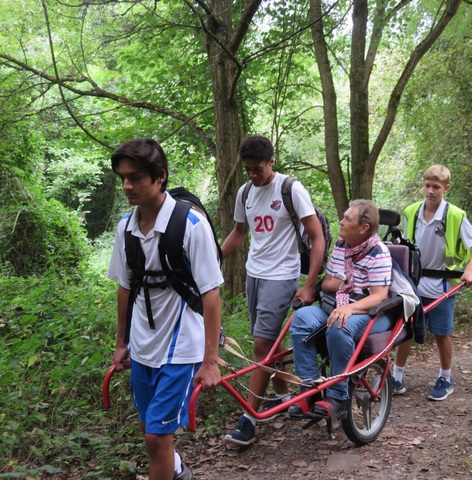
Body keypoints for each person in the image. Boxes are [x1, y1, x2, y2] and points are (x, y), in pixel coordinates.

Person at [108, 138, 223, 480]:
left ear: (160, 177)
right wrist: (121, 342)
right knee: (151, 432)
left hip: (182, 348)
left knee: (157, 436)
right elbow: (125, 287)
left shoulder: (190, 226)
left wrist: (210, 360)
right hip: (143, 348)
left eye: (136, 177)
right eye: (123, 178)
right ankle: (178, 471)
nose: (128, 185)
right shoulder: (125, 228)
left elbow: (211, 294)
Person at [221, 135, 325, 446]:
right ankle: (285, 398)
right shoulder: (245, 192)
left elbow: (317, 238)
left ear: (271, 162)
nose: (253, 175)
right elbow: (240, 233)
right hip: (255, 273)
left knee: (262, 346)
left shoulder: (290, 189)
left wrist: (309, 284)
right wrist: (212, 257)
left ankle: (250, 419)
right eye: (248, 170)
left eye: (258, 169)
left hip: (282, 275)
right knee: (268, 345)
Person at [287, 199, 393, 419]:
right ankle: (309, 390)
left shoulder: (378, 252)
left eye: (347, 219)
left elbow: (379, 296)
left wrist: (351, 306)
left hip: (372, 312)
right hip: (337, 304)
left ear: (364, 228)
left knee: (339, 324)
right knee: (301, 318)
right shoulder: (341, 245)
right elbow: (327, 283)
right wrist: (350, 286)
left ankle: (337, 396)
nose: (341, 221)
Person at [390, 165, 472, 401]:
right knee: (405, 329)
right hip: (413, 283)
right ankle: (397, 377)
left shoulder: (454, 215)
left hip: (442, 284)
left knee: (442, 332)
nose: (430, 191)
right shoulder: (412, 211)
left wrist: (470, 268)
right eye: (427, 186)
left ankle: (445, 378)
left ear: (446, 189)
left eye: (436, 187)